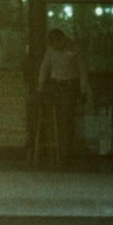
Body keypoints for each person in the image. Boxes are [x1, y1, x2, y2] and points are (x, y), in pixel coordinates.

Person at [34, 28, 86, 160]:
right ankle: (51, 148)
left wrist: (83, 90)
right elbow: (44, 67)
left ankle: (65, 152)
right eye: (53, 44)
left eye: (57, 43)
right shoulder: (50, 50)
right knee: (51, 116)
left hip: (69, 86)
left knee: (66, 119)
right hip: (55, 85)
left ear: (63, 39)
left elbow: (82, 70)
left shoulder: (75, 48)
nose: (56, 47)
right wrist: (40, 86)